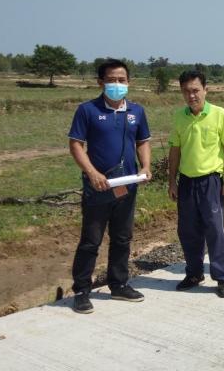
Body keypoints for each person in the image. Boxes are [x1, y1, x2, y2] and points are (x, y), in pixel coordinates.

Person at [68, 58, 151, 314]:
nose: (117, 84)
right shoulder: (88, 110)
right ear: (100, 82)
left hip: (127, 185)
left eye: (121, 80)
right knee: (91, 240)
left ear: (129, 82)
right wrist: (92, 173)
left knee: (122, 238)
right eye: (112, 80)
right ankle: (82, 290)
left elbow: (143, 141)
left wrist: (145, 166)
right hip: (99, 188)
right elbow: (76, 145)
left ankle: (119, 284)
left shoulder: (136, 111)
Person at [167, 70, 224, 298]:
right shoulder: (179, 116)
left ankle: (223, 277)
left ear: (206, 90)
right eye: (186, 91)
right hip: (187, 182)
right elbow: (175, 150)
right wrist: (172, 181)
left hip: (211, 182)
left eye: (196, 90)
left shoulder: (218, 114)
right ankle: (194, 273)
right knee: (188, 230)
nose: (192, 96)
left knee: (215, 230)